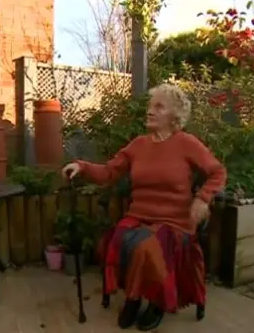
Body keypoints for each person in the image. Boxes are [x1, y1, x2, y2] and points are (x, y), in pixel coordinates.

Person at [62, 84, 227, 330]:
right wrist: (82, 167)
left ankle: (157, 301)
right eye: (150, 106)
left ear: (174, 116)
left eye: (158, 107)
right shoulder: (138, 145)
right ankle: (133, 297)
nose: (149, 111)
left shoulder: (187, 143)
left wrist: (202, 198)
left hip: (175, 222)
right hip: (139, 217)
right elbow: (109, 172)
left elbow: (218, 172)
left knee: (148, 247)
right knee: (116, 240)